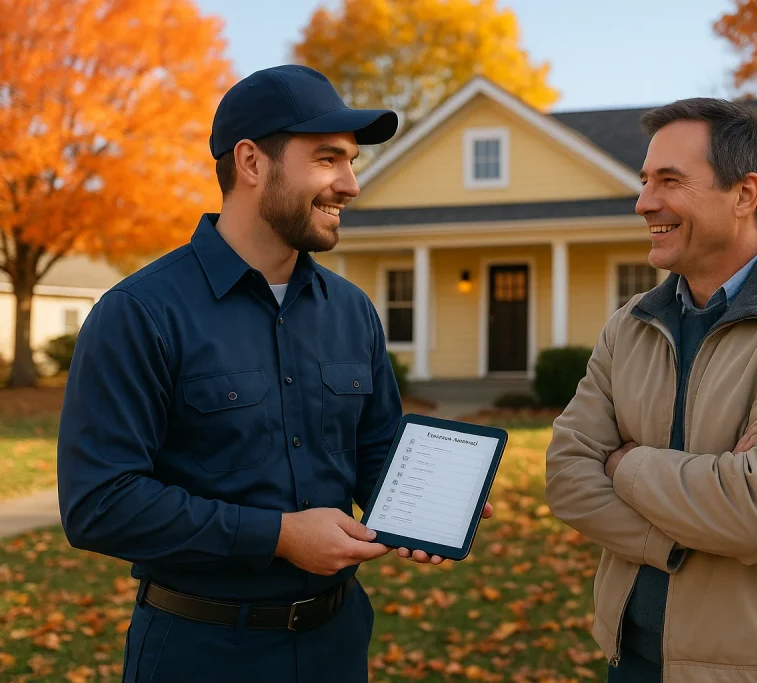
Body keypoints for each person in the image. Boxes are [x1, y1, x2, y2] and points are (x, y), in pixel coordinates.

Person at [57, 65, 490, 683]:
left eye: (351, 161)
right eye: (327, 159)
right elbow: (100, 503)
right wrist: (278, 536)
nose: (351, 184)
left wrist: (430, 501)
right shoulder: (140, 313)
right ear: (252, 162)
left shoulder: (352, 311)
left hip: (337, 643)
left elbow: (373, 452)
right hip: (201, 652)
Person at [544, 98, 757, 683]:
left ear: (744, 194)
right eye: (645, 181)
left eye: (670, 181)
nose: (644, 202)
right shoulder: (631, 325)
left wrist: (624, 464)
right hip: (636, 661)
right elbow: (567, 476)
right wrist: (680, 533)